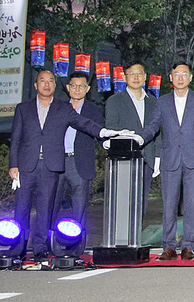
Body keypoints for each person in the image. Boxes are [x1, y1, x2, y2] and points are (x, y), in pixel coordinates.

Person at [10, 70, 123, 265]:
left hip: (51, 166)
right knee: (21, 209)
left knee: (45, 210)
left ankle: (40, 250)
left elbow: (84, 123)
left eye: (50, 81)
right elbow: (16, 138)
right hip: (26, 166)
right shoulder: (23, 108)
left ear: (55, 85)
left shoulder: (63, 108)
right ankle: (18, 250)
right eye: (42, 81)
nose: (46, 84)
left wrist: (104, 133)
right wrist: (13, 165)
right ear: (36, 85)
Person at [140, 63, 194, 260]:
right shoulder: (161, 102)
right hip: (170, 159)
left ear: (190, 77)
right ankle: (169, 246)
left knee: (191, 205)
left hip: (193, 159)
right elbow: (153, 127)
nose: (180, 78)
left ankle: (189, 246)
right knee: (169, 204)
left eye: (184, 74)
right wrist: (139, 138)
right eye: (176, 74)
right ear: (171, 78)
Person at [53, 70, 103, 251]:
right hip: (56, 162)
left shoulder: (93, 110)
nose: (77, 89)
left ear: (87, 88)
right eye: (73, 85)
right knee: (51, 204)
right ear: (68, 88)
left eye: (81, 86)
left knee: (79, 208)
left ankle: (77, 247)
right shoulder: (56, 107)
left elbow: (100, 133)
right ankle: (49, 244)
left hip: (80, 163)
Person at [104, 62, 160, 219]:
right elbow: (111, 128)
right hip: (123, 161)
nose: (136, 77)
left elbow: (158, 131)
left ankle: (136, 240)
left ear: (145, 77)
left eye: (140, 73)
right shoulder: (115, 101)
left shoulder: (154, 102)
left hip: (146, 160)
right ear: (124, 77)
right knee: (122, 205)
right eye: (132, 73)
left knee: (141, 206)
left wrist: (157, 157)